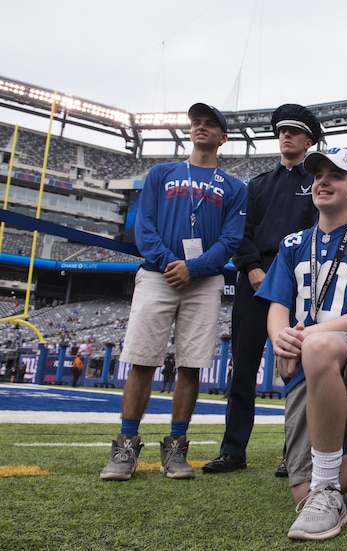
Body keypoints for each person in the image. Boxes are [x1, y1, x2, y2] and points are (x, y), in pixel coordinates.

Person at [100, 103, 246, 481]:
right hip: (156, 275)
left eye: (210, 124)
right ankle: (126, 445)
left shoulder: (233, 187)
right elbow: (144, 227)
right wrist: (171, 263)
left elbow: (231, 239)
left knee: (192, 364)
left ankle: (176, 447)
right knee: (143, 360)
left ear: (222, 137)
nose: (200, 127)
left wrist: (193, 267)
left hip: (204, 281)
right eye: (196, 122)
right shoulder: (160, 173)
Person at [256, 147, 347, 540]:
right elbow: (277, 306)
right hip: (306, 355)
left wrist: (304, 339)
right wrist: (281, 339)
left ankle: (329, 494)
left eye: (336, 175)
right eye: (319, 174)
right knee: (302, 492)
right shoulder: (291, 244)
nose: (323, 180)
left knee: (319, 347)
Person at [204, 103, 322, 475]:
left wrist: (282, 276)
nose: (286, 136)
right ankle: (233, 449)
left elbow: (316, 234)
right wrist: (253, 268)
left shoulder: (317, 183)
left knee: (298, 368)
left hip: (298, 283)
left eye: (294, 131)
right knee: (243, 367)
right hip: (253, 282)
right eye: (282, 131)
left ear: (308, 140)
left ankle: (294, 452)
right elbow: (239, 233)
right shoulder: (256, 185)